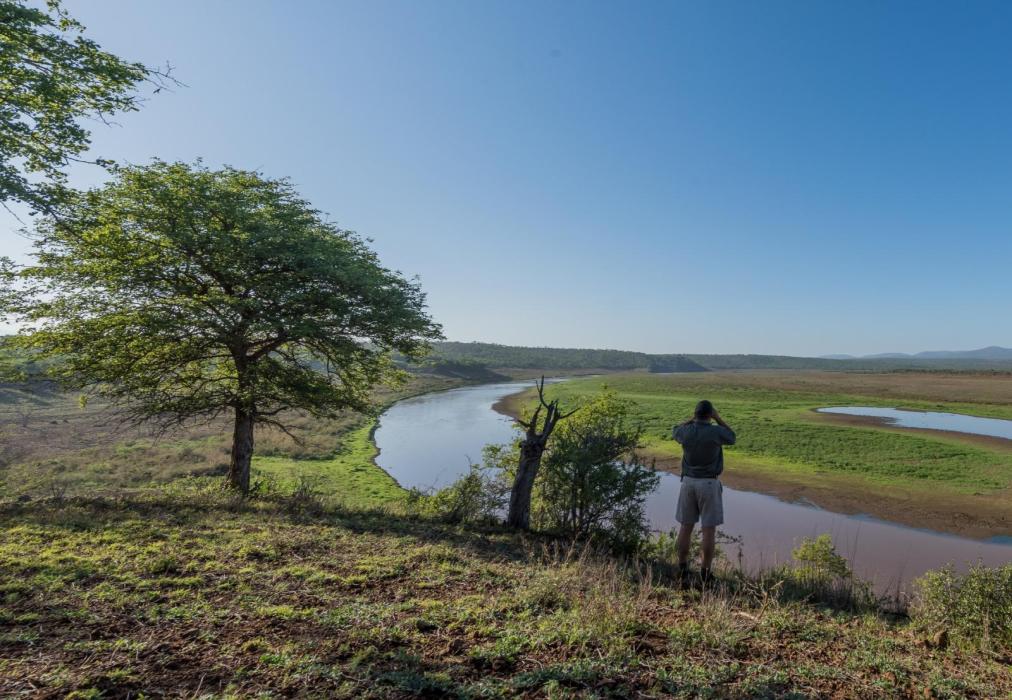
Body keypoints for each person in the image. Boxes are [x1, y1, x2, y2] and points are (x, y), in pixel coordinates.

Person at [672, 399, 735, 583]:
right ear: (710, 415)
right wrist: (718, 418)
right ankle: (705, 573)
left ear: (696, 414)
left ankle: (682, 568)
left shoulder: (685, 432)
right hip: (709, 483)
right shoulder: (716, 432)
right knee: (708, 530)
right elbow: (732, 437)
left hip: (688, 483)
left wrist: (691, 420)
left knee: (685, 527)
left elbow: (675, 430)